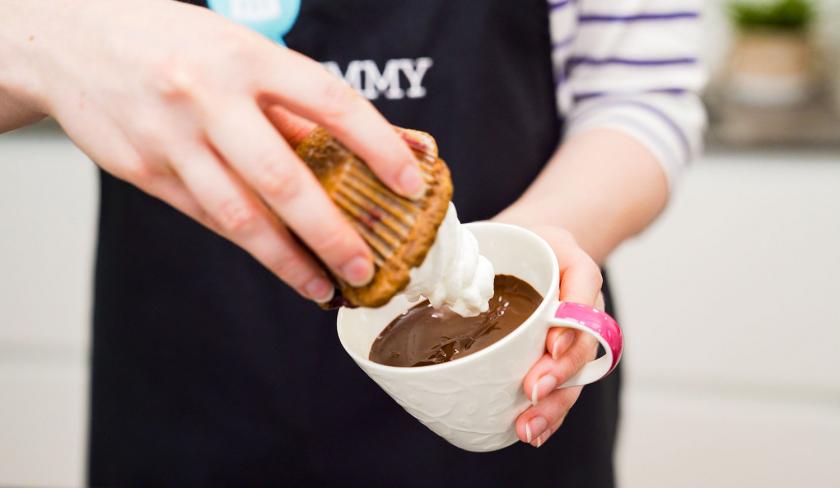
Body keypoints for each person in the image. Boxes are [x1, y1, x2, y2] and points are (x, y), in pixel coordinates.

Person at [0, 0, 704, 485]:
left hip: (500, 403)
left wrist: (534, 244)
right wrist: (52, 39)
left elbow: (641, 94)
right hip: (188, 395)